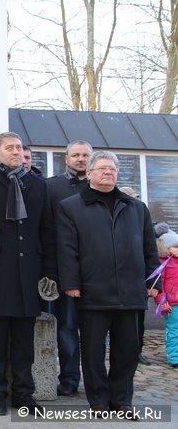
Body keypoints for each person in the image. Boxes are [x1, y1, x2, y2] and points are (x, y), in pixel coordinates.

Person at [57, 150, 159, 417]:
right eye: (102, 168)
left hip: (131, 291)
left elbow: (149, 248)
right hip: (92, 292)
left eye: (112, 169)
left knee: (128, 350)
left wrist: (153, 282)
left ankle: (122, 401)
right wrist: (71, 282)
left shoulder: (136, 208)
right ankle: (99, 401)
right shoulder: (71, 207)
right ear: (89, 173)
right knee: (92, 351)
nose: (108, 172)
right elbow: (67, 249)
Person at [0, 131, 56, 416]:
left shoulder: (38, 186)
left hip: (29, 272)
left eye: (19, 147)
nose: (16, 151)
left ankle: (23, 393)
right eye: (10, 148)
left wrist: (50, 272)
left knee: (23, 342)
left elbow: (47, 231)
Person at [45, 140, 92, 396]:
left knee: (96, 332)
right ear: (66, 158)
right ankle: (69, 378)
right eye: (76, 155)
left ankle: (96, 378)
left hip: (96, 271)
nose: (81, 159)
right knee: (67, 329)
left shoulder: (102, 186)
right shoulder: (52, 187)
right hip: (65, 271)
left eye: (86, 155)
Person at [119, 186, 152, 366]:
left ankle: (137, 351)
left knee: (138, 321)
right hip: (122, 281)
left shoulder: (140, 216)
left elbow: (149, 249)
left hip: (139, 280)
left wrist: (152, 281)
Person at [153, 223, 178, 368]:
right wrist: (162, 302)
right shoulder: (163, 264)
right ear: (166, 248)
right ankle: (174, 357)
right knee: (174, 330)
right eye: (175, 246)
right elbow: (159, 284)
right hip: (171, 304)